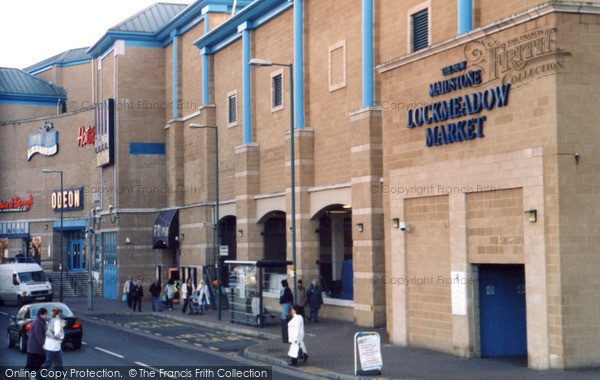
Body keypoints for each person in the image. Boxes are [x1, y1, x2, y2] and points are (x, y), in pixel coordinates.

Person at [40, 307, 64, 373]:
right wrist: (61, 337)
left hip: (50, 343)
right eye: (61, 313)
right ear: (59, 313)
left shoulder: (52, 319)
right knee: (49, 362)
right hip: (54, 344)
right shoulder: (57, 320)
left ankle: (60, 376)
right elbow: (57, 333)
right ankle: (37, 375)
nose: (61, 314)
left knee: (58, 360)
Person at [26, 307, 47, 379]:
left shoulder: (40, 320)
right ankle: (33, 376)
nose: (46, 316)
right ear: (42, 314)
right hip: (35, 346)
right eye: (45, 314)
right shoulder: (38, 322)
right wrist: (42, 344)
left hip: (35, 346)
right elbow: (38, 334)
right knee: (37, 361)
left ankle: (35, 375)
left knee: (37, 361)